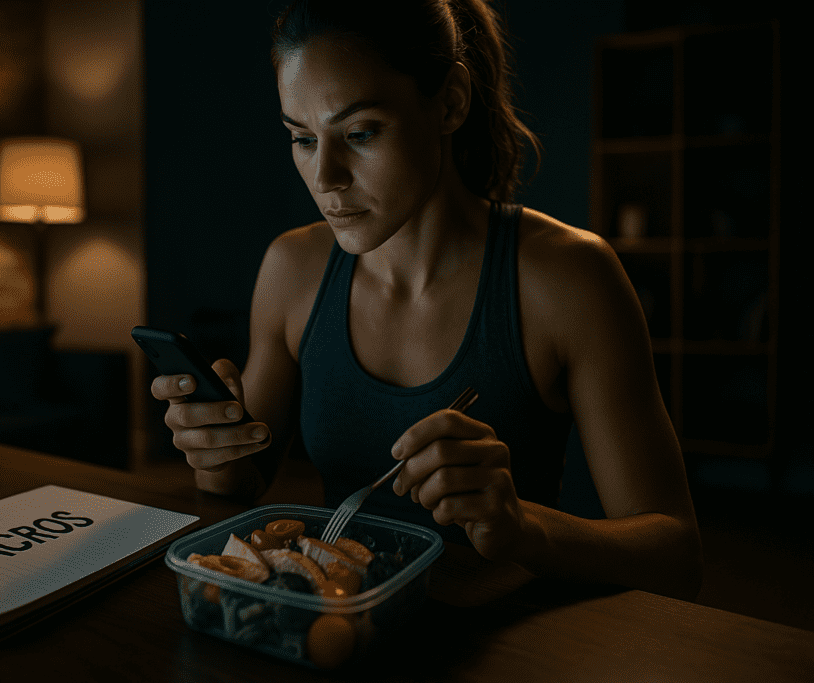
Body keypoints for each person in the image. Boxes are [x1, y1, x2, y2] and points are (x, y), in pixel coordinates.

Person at [151, 0, 703, 601]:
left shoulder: (568, 278)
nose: (325, 175)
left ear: (449, 102)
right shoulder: (292, 270)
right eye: (303, 138)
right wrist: (213, 449)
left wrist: (524, 528)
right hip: (341, 635)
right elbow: (241, 485)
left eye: (360, 133)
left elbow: (675, 557)